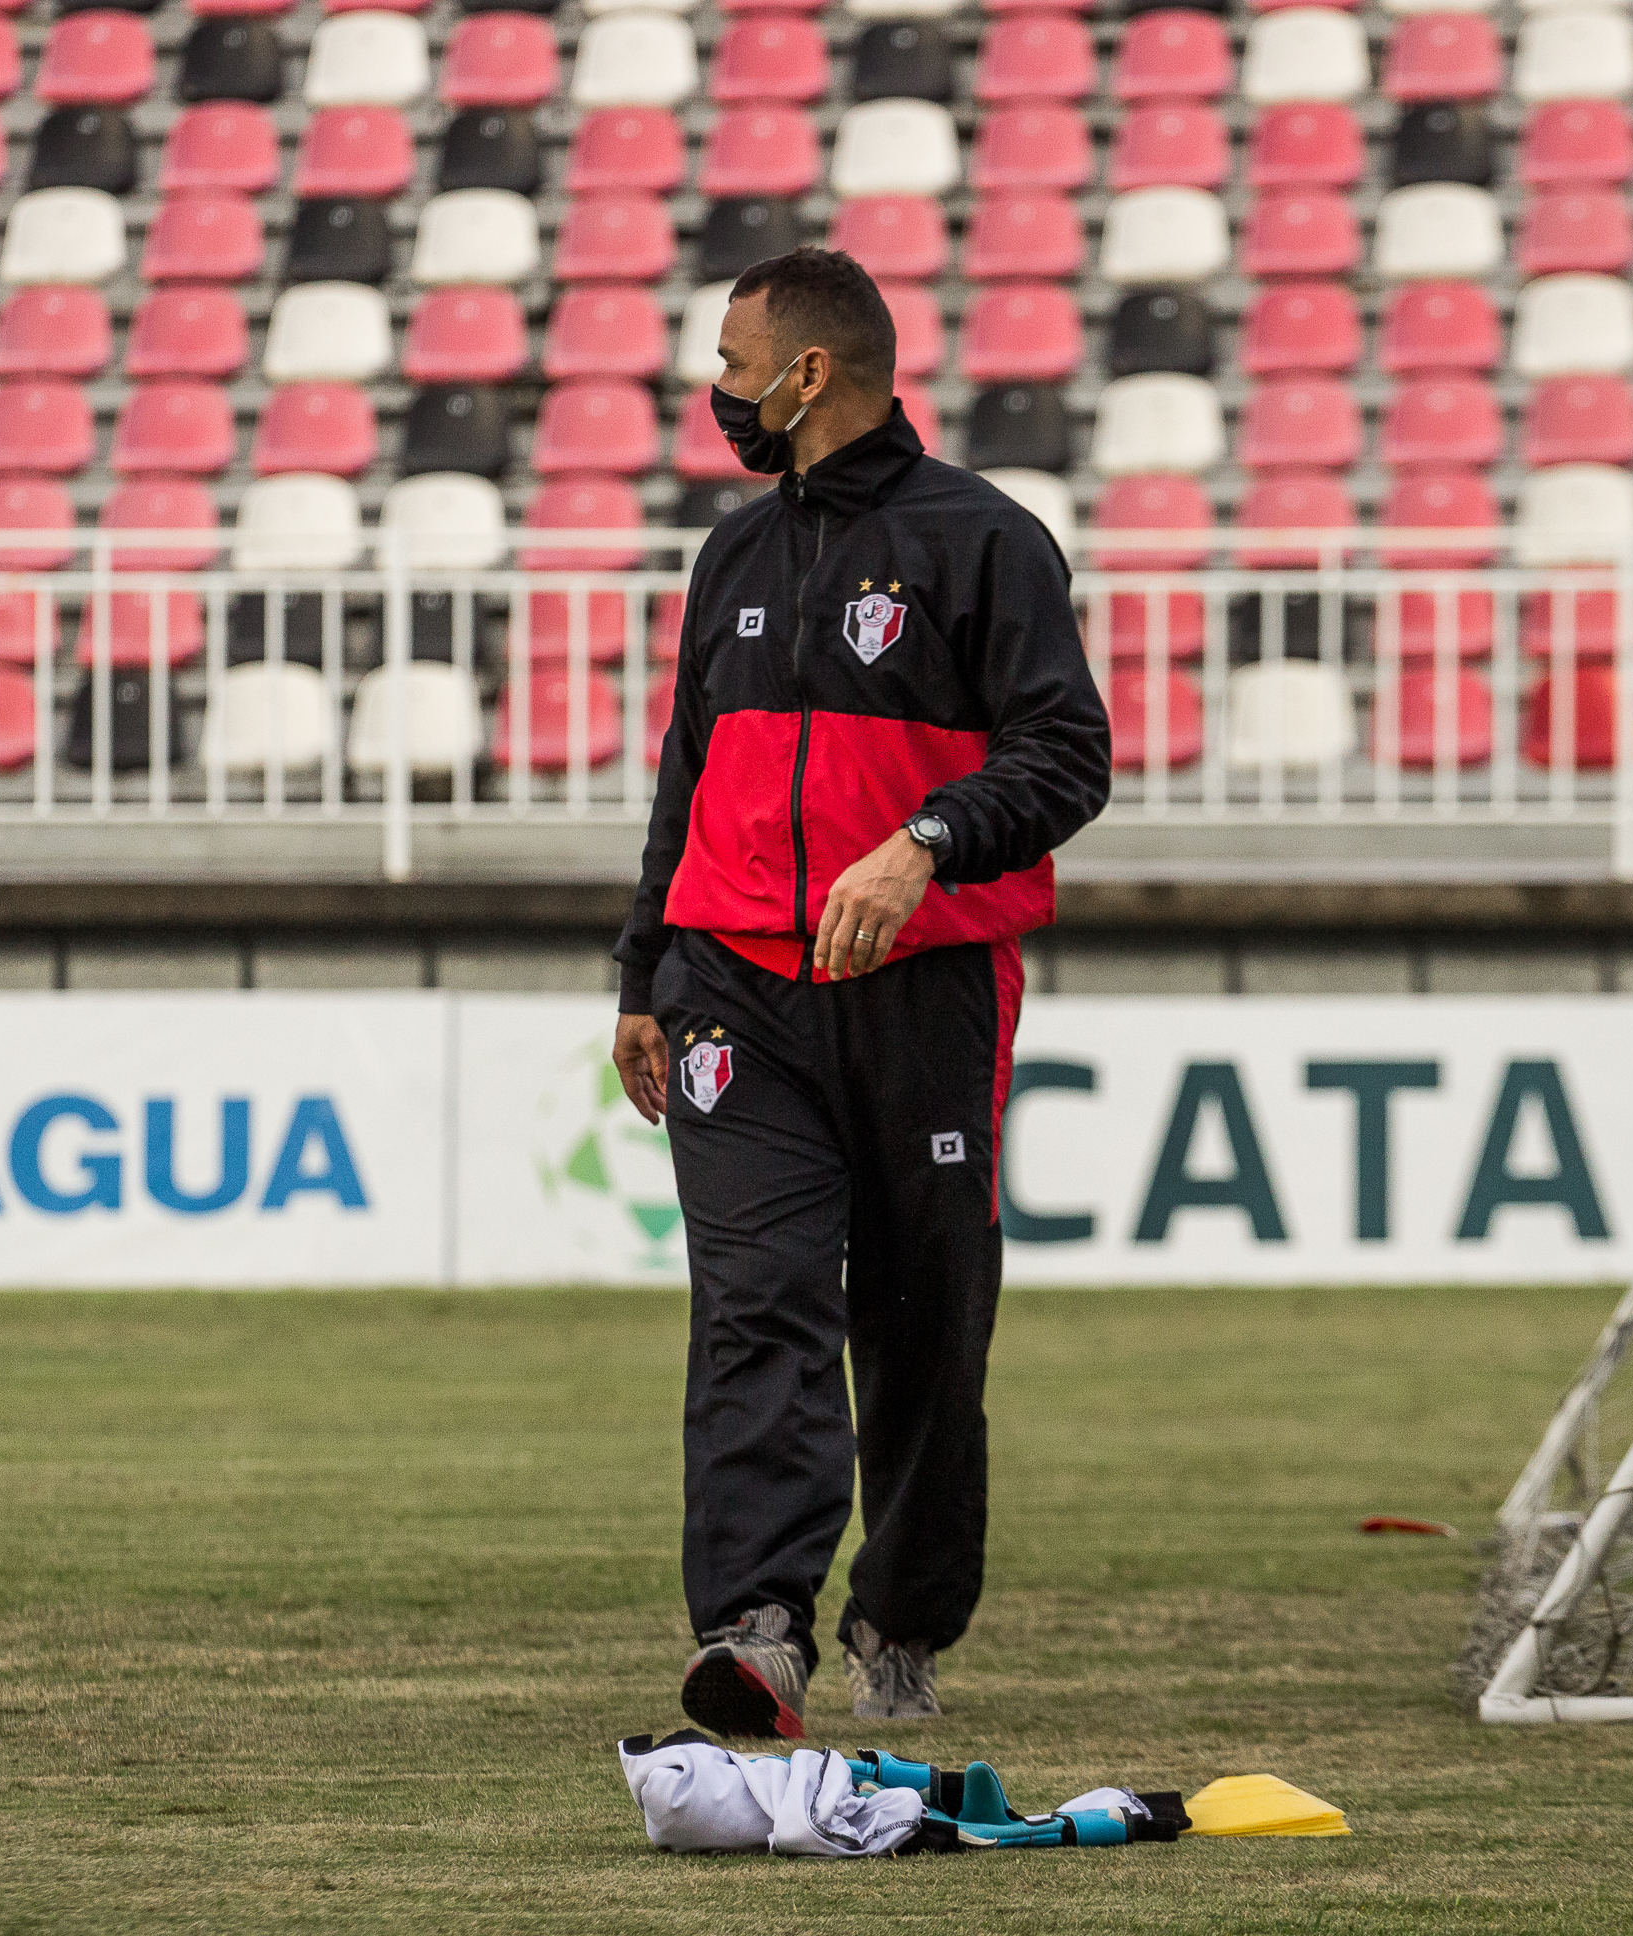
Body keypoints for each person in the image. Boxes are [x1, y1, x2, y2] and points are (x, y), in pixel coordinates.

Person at [611, 248, 1111, 1740]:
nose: (715, 391)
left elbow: (1064, 756)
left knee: (919, 1315)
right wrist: (645, 970)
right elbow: (687, 781)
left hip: (922, 994)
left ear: (805, 373)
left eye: (726, 361)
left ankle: (901, 1611)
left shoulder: (985, 541)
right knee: (756, 1303)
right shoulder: (731, 557)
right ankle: (755, 1628)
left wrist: (925, 843)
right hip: (732, 991)